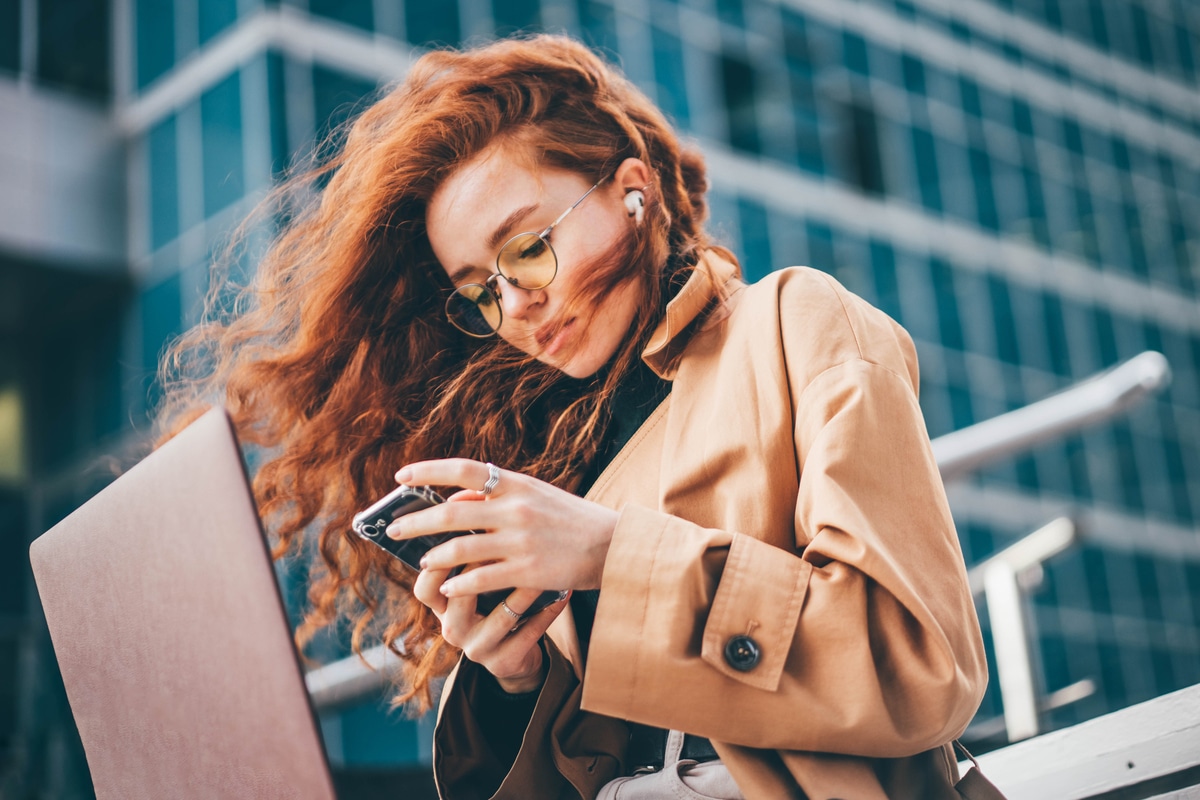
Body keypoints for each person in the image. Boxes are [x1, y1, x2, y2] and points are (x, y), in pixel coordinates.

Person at [157, 33, 988, 800]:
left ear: (633, 190)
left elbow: (918, 671)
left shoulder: (791, 322)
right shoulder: (542, 462)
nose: (515, 303)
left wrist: (608, 555)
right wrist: (516, 682)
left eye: (527, 248)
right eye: (481, 289)